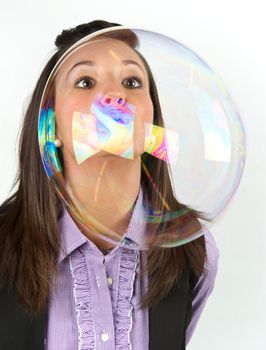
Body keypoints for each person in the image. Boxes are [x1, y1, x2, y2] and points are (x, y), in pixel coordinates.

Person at [0, 20, 220, 350]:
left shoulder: (196, 252)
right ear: (51, 125)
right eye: (85, 81)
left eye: (132, 81)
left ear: (152, 127)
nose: (114, 96)